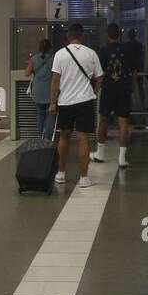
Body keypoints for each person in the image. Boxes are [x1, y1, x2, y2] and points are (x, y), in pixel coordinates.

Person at [48, 22, 103, 188]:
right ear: (82, 35)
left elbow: (55, 81)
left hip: (65, 101)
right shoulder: (91, 54)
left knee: (64, 137)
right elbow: (100, 78)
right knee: (83, 139)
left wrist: (52, 102)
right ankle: (84, 178)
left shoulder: (60, 54)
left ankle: (61, 174)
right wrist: (92, 91)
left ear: (68, 36)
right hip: (85, 101)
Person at [91, 23, 134, 168]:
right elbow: (134, 72)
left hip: (108, 89)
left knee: (103, 120)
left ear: (107, 35)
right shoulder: (128, 50)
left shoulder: (102, 52)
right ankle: (122, 158)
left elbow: (99, 75)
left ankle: (100, 153)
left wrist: (95, 91)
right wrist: (131, 88)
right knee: (123, 123)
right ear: (119, 34)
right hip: (124, 89)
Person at [23, 38, 54, 139]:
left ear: (39, 47)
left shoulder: (34, 59)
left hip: (38, 90)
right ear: (50, 48)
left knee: (40, 114)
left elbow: (26, 74)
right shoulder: (54, 58)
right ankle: (48, 138)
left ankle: (41, 136)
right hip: (50, 90)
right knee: (50, 114)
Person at [126, 28, 146, 107]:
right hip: (138, 68)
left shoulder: (127, 45)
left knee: (131, 86)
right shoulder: (139, 44)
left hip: (130, 68)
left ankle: (131, 103)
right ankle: (143, 102)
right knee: (140, 86)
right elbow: (141, 56)